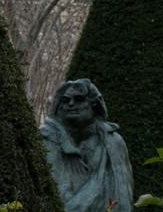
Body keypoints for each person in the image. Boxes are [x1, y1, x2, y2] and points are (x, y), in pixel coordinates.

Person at [40, 78, 136, 212]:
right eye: (65, 100)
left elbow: (123, 195)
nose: (71, 104)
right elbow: (54, 193)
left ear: (94, 105)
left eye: (79, 99)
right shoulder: (48, 138)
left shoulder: (113, 142)